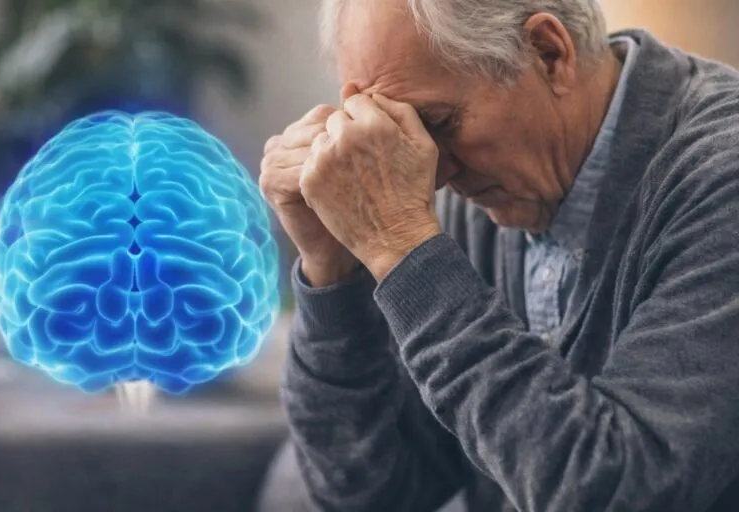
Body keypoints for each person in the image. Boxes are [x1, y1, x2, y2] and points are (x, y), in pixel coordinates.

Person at [257, 0, 739, 510]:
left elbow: (620, 492)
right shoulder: (486, 188)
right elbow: (369, 493)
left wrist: (406, 252)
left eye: (437, 122)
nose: (432, 176)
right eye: (402, 133)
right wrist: (332, 271)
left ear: (549, 53)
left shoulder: (719, 178)